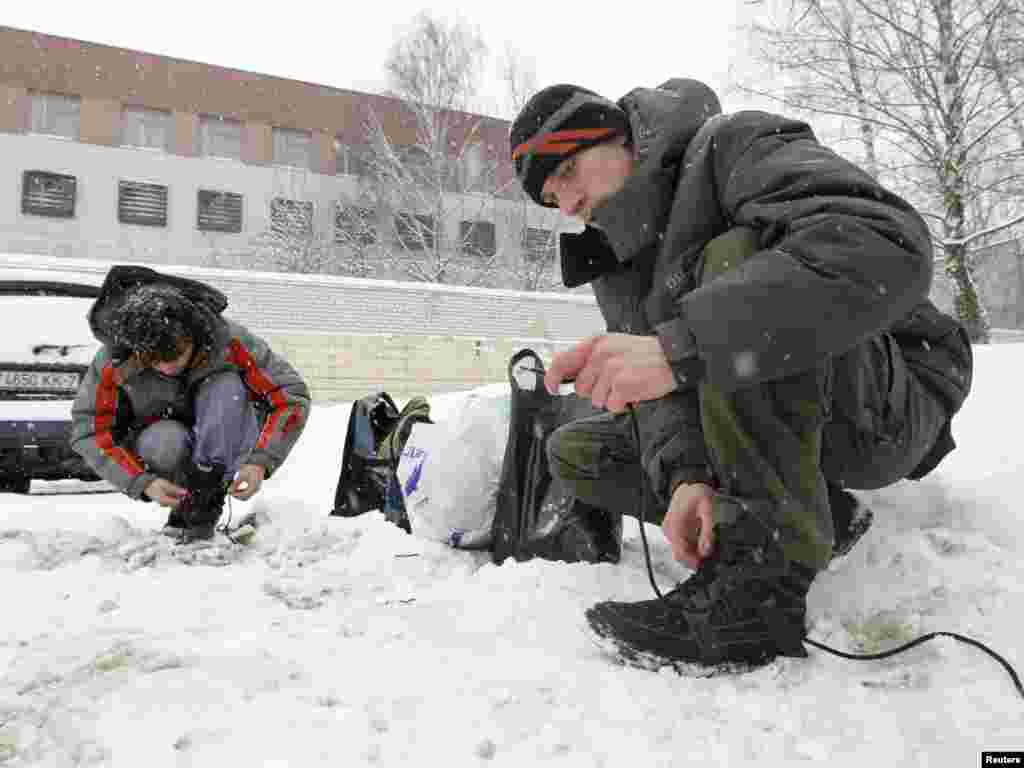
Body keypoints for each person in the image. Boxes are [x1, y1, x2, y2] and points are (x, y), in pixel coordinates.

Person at [509, 81, 972, 671]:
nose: (567, 203)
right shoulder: (616, 263)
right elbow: (659, 398)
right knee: (576, 450)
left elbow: (885, 241)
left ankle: (760, 594)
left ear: (617, 136)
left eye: (569, 170)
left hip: (890, 390)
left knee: (733, 258)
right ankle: (821, 510)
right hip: (773, 397)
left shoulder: (729, 147)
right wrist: (686, 479)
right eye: (551, 197)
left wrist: (681, 347)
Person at [70, 265, 311, 541]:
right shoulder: (116, 360)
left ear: (192, 336)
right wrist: (142, 482)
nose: (167, 367)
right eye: (154, 360)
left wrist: (261, 462)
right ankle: (186, 504)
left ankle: (206, 499)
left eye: (175, 355)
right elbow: (88, 430)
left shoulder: (229, 342)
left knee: (225, 387)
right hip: (162, 441)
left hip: (232, 433)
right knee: (162, 440)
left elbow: (290, 397)